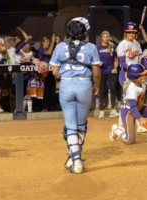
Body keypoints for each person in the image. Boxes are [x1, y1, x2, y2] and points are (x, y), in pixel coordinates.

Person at [50, 17, 100, 174]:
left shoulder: (59, 47)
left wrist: (65, 80)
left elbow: (54, 73)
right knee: (81, 124)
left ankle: (75, 160)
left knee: (70, 126)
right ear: (85, 32)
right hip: (84, 85)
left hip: (66, 85)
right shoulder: (92, 47)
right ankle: (75, 159)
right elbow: (96, 73)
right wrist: (96, 86)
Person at [116, 22, 147, 133]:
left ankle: (121, 125)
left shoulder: (137, 44)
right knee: (130, 99)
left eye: (133, 32)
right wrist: (132, 72)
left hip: (137, 74)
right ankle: (136, 124)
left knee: (132, 100)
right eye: (129, 32)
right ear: (125, 33)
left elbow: (142, 60)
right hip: (126, 73)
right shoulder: (122, 45)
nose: (131, 34)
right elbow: (122, 63)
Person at [96, 31, 119, 118]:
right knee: (101, 91)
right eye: (104, 37)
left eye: (107, 37)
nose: (106, 38)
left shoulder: (113, 46)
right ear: (101, 38)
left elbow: (116, 59)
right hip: (101, 72)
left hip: (111, 71)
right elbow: (94, 59)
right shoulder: (97, 47)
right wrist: (98, 63)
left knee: (113, 89)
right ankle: (101, 111)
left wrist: (115, 67)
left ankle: (113, 110)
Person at [38, 34, 57, 112]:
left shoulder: (50, 49)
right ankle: (45, 107)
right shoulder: (41, 49)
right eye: (47, 42)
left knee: (52, 90)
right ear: (43, 42)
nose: (48, 43)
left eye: (49, 42)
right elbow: (49, 52)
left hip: (51, 72)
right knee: (46, 90)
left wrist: (56, 43)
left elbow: (55, 55)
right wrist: (53, 42)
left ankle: (51, 107)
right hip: (44, 73)